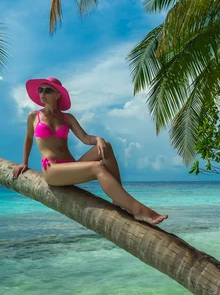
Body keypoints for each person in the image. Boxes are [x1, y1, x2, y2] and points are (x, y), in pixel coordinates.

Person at [12, 77, 168, 226]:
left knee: (106, 146)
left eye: (48, 90)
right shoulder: (34, 116)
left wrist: (98, 139)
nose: (42, 93)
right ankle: (138, 209)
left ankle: (119, 198)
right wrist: (24, 162)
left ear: (58, 94)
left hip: (71, 167)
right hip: (52, 170)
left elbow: (86, 138)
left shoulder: (67, 118)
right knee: (98, 167)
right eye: (40, 89)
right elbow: (28, 139)